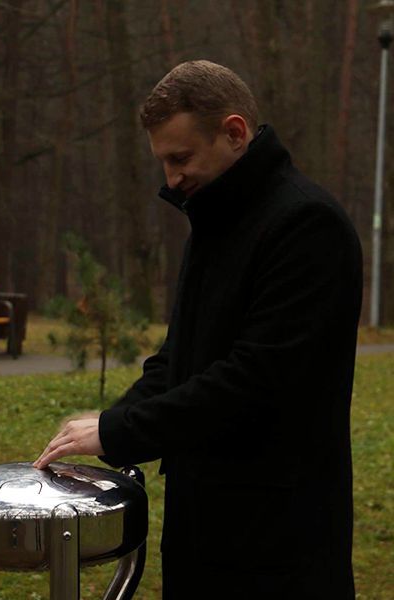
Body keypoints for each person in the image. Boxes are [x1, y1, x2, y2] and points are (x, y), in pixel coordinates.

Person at [34, 60, 362, 599]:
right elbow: (178, 359)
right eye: (163, 162)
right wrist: (109, 424)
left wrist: (121, 431)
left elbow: (257, 379)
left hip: (279, 536)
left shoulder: (306, 225)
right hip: (205, 523)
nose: (171, 179)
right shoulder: (214, 222)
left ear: (233, 132)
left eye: (180, 158)